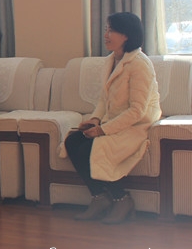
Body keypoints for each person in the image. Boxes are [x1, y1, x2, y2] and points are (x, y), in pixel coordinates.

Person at [63, 12, 161, 224]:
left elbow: (137, 111)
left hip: (136, 126)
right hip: (113, 122)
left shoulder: (140, 64)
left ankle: (122, 199)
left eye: (112, 30)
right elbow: (103, 99)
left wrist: (102, 130)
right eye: (106, 29)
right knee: (73, 141)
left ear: (126, 35)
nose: (106, 35)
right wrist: (95, 120)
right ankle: (99, 197)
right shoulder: (111, 60)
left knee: (90, 148)